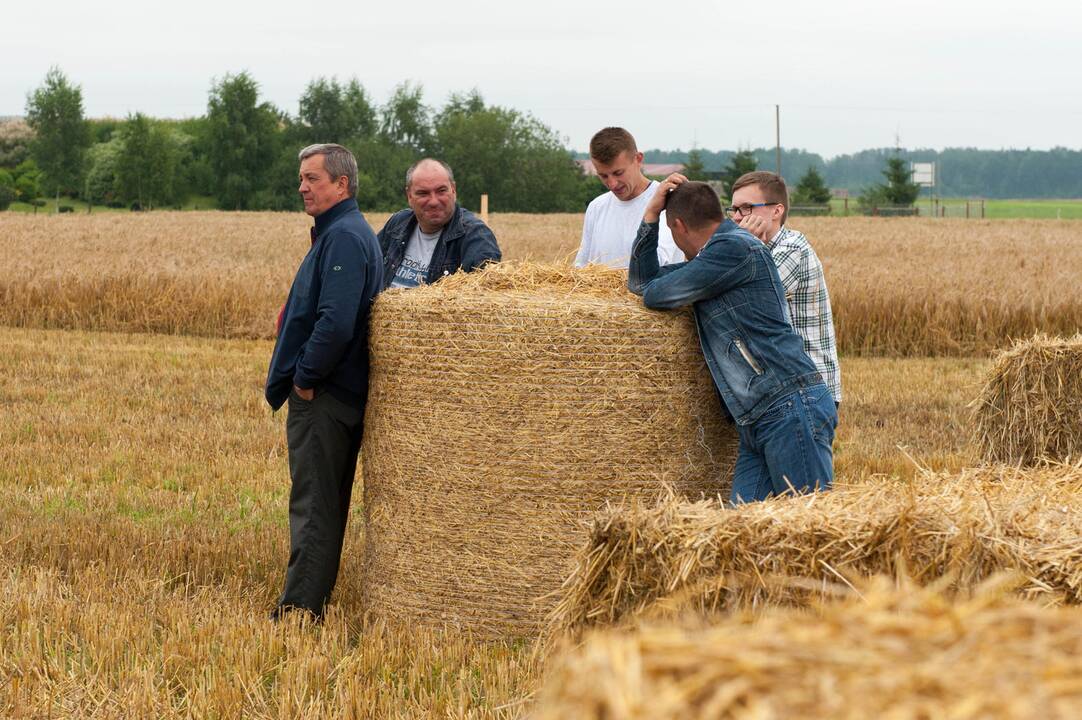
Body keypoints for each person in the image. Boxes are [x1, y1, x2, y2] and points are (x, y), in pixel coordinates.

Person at [627, 175, 836, 503]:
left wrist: (652, 216)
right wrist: (651, 215)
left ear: (679, 226)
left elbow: (654, 295)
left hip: (788, 405)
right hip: (759, 417)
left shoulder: (734, 249)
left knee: (811, 525)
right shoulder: (711, 259)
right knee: (742, 534)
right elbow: (642, 283)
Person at [265, 143, 384, 620]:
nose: (302, 187)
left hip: (327, 396)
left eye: (312, 178)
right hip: (335, 392)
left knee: (314, 503)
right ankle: (310, 599)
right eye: (301, 179)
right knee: (322, 501)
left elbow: (335, 322)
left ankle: (299, 609)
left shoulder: (345, 238)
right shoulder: (345, 233)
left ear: (342, 184)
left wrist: (306, 378)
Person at [728, 171, 841, 405]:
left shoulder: (791, 249)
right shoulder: (757, 248)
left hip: (809, 388)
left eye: (747, 207)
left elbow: (748, 299)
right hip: (783, 387)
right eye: (734, 209)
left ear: (776, 211)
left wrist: (741, 245)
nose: (738, 217)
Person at [378, 158, 501, 289]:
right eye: (423, 193)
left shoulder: (476, 236)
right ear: (409, 196)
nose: (433, 202)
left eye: (441, 191)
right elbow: (367, 269)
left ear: (453, 190)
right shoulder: (398, 224)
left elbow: (485, 299)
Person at [574, 127, 683, 268]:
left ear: (638, 159)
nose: (612, 184)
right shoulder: (596, 207)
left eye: (618, 173)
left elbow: (657, 264)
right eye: (603, 176)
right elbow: (581, 267)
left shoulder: (666, 202)